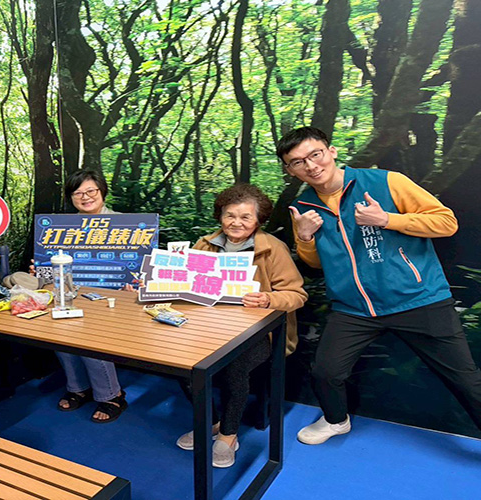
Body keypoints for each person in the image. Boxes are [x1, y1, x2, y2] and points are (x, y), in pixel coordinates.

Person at [280, 126, 481, 445]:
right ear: (290, 170)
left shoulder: (387, 182)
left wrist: (387, 220)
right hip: (354, 309)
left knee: (466, 380)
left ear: (331, 151)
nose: (311, 165)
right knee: (326, 372)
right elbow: (317, 264)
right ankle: (336, 420)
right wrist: (304, 237)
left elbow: (446, 222)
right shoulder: (302, 207)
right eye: (298, 162)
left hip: (418, 299)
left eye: (315, 154)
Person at [174, 184, 307, 467]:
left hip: (259, 332)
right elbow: (185, 281)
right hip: (209, 327)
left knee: (235, 364)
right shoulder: (205, 244)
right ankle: (211, 422)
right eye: (229, 215)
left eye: (246, 217)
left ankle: (228, 435)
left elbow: (297, 295)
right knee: (180, 359)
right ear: (220, 216)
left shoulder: (273, 249)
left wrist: (267, 299)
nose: (236, 222)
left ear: (258, 219)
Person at [42, 170, 128, 423]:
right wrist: (42, 270)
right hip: (72, 294)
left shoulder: (125, 224)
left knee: (91, 335)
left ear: (102, 191)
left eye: (91, 191)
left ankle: (111, 395)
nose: (85, 197)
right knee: (61, 331)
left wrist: (135, 282)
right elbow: (49, 265)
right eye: (78, 193)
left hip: (113, 299)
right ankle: (78, 388)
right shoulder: (61, 228)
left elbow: (140, 266)